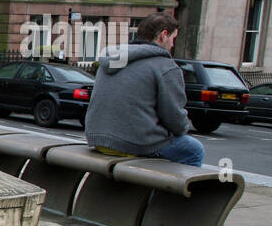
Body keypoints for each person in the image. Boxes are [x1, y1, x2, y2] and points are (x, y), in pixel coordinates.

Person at [85, 13, 204, 167]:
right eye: (173, 39)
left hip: (98, 138)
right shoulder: (165, 66)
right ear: (164, 35)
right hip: (132, 143)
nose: (173, 45)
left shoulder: (113, 58)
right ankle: (166, 191)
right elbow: (175, 120)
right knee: (194, 150)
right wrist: (182, 127)